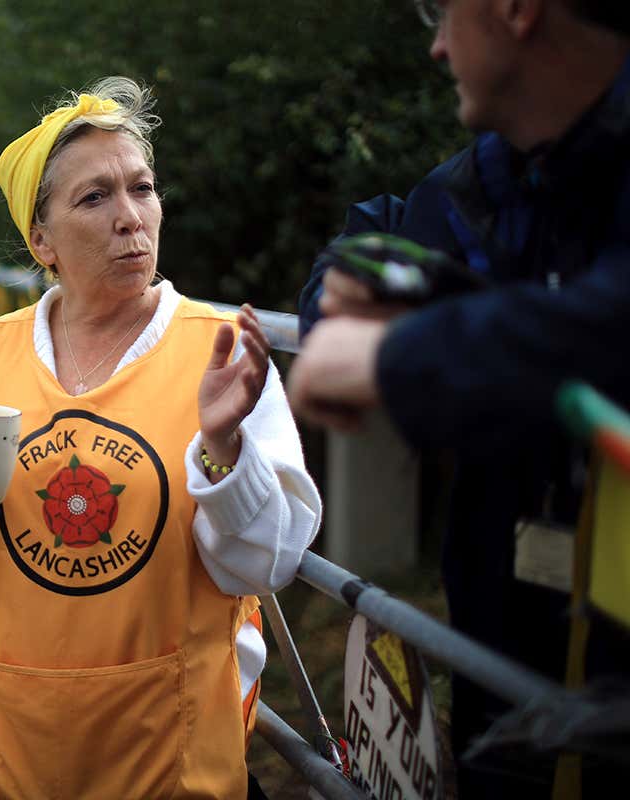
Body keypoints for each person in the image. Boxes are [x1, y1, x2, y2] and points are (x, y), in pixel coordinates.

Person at [0, 76, 323, 799]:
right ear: (42, 241)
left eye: (142, 188)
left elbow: (263, 568)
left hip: (166, 757)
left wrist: (225, 452)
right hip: (2, 755)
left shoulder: (218, 357)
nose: (131, 217)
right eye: (94, 198)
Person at [288, 0, 630, 795]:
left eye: (443, 13)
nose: (437, 47)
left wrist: (401, 353)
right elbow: (373, 238)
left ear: (515, 10)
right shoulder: (502, 172)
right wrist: (354, 298)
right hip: (508, 626)